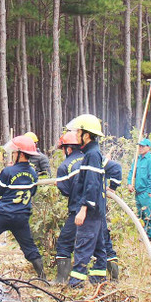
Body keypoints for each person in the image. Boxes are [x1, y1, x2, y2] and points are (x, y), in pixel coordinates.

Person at [0, 135, 43, 277]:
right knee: (29, 248)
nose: (13, 154)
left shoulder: (8, 171)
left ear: (21, 154)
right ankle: (43, 278)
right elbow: (32, 191)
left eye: (15, 152)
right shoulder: (33, 173)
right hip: (22, 217)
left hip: (3, 215)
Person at [66, 114, 108, 287]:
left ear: (87, 134)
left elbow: (91, 184)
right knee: (99, 245)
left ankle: (76, 283)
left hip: (90, 210)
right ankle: (98, 278)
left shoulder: (92, 155)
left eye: (79, 132)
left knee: (83, 244)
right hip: (96, 208)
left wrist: (83, 208)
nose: (76, 136)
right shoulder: (92, 153)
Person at [53, 131, 85, 284]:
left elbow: (65, 191)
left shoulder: (64, 166)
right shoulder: (91, 158)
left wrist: (59, 184)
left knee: (65, 243)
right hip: (97, 209)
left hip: (77, 210)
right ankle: (112, 280)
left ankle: (61, 280)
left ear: (68, 149)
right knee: (102, 243)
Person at [128, 139, 151, 241]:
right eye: (140, 146)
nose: (140, 148)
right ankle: (147, 235)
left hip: (146, 192)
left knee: (150, 214)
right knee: (142, 215)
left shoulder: (150, 160)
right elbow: (131, 172)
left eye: (143, 146)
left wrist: (150, 192)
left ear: (148, 147)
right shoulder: (137, 159)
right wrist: (130, 183)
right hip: (137, 192)